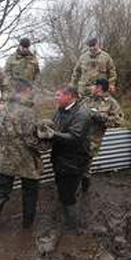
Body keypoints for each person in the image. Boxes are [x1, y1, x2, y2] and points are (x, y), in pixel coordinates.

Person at [0, 79, 51, 233]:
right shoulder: (28, 112)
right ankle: (27, 226)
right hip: (26, 160)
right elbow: (31, 140)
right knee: (30, 192)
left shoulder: (6, 108)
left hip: (6, 158)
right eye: (31, 89)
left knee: (1, 192)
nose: (33, 92)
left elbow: (1, 135)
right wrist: (47, 145)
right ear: (26, 90)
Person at [45, 85, 90, 231]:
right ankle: (65, 211)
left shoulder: (82, 114)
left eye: (59, 95)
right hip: (60, 159)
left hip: (73, 162)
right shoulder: (60, 110)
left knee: (68, 195)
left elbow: (75, 137)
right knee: (62, 188)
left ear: (69, 96)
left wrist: (53, 134)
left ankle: (72, 226)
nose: (56, 98)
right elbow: (53, 124)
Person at [82, 79, 124, 192]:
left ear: (99, 88)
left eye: (94, 86)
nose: (92, 88)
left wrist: (101, 118)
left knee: (85, 165)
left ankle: (84, 188)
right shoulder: (87, 100)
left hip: (93, 140)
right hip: (78, 136)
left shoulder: (111, 103)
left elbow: (119, 121)